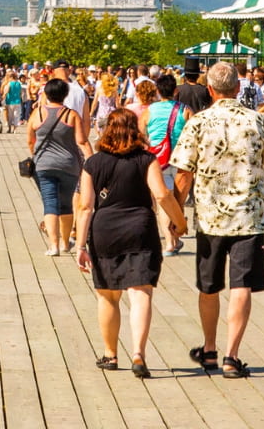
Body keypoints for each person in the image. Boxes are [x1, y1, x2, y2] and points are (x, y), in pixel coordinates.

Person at [172, 62, 264, 380]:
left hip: (209, 217)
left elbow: (183, 173)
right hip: (249, 217)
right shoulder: (258, 121)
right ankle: (231, 356)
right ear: (238, 88)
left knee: (208, 286)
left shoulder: (197, 123)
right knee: (242, 285)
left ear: (209, 89)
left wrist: (177, 211)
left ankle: (209, 348)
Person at [75, 108, 187, 378]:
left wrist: (79, 246)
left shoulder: (93, 163)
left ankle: (110, 354)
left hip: (105, 232)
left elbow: (86, 207)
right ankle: (138, 353)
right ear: (135, 129)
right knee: (141, 294)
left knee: (108, 295)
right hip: (140, 230)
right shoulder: (146, 159)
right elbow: (161, 194)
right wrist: (180, 222)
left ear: (106, 129)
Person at [26, 78, 90, 255]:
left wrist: (35, 153)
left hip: (43, 165)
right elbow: (82, 141)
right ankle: (64, 243)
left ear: (46, 94)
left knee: (50, 203)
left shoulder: (37, 114)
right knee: (66, 204)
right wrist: (92, 161)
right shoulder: (71, 115)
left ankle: (53, 246)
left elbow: (30, 139)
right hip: (69, 164)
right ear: (65, 95)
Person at [146, 72, 189, 253]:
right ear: (176, 90)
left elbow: (140, 134)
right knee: (177, 200)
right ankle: (175, 237)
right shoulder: (185, 110)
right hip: (181, 160)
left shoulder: (151, 110)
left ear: (157, 91)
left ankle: (170, 242)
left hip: (158, 161)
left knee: (164, 199)